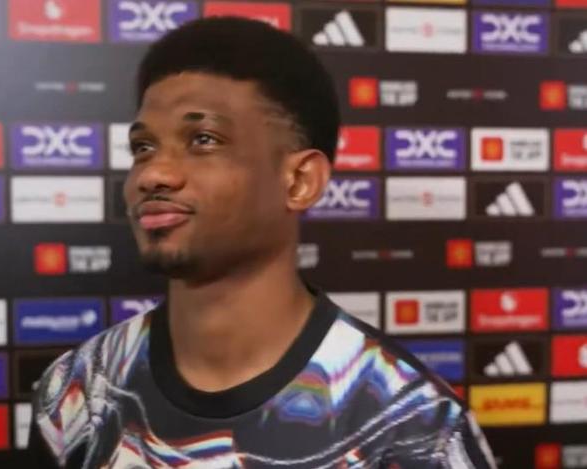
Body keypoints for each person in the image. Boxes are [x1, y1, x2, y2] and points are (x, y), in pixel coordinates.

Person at [28, 16, 496, 469]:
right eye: (143, 148)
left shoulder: (415, 430)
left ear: (299, 181)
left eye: (203, 139)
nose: (153, 174)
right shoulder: (75, 394)